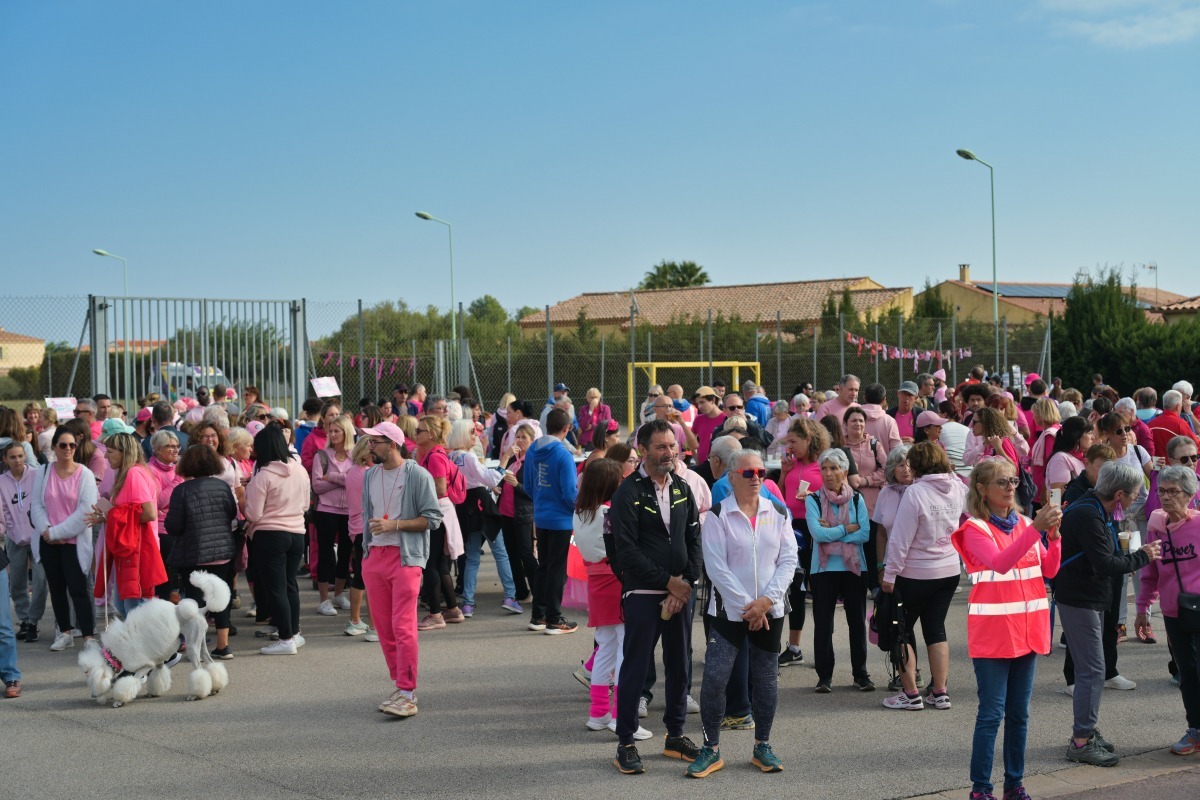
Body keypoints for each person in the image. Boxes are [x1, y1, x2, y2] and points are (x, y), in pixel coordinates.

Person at [951, 459, 1063, 800]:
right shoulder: (974, 529)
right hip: (994, 635)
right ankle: (981, 789)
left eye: (1013, 481)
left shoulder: (1026, 523)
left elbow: (1050, 570)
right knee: (991, 715)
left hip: (1028, 633)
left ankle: (1014, 785)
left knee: (1019, 715)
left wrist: (1054, 536)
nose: (1011, 487)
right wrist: (1036, 530)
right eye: (1002, 482)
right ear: (982, 489)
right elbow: (1000, 564)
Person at [689, 449, 794, 778]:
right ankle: (710, 748)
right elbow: (716, 568)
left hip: (770, 610)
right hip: (728, 613)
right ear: (732, 477)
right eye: (749, 473)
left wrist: (766, 601)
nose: (756, 478)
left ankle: (763, 745)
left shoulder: (778, 511)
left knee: (765, 680)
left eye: (761, 472)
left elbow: (788, 560)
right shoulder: (718, 514)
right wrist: (749, 606)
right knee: (715, 679)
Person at [610, 419, 703, 775]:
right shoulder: (627, 492)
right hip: (643, 592)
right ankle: (626, 742)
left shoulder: (682, 487)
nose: (669, 452)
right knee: (636, 666)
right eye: (661, 447)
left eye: (672, 446)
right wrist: (667, 582)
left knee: (679, 665)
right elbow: (626, 552)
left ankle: (675, 735)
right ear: (643, 450)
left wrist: (686, 582)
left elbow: (694, 540)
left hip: (681, 592)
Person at [1056, 461, 1160, 766]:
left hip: (1088, 596)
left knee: (1093, 669)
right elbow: (1104, 564)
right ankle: (1081, 741)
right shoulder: (1088, 513)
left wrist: (1126, 556)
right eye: (1134, 495)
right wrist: (1142, 556)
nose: (1135, 500)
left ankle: (1086, 731)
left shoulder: (1093, 507)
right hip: (1080, 597)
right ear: (1118, 494)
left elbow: (1103, 557)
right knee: (1092, 671)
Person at [360, 420, 442, 716]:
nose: (370, 447)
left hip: (406, 558)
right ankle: (400, 685)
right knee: (383, 628)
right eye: (369, 441)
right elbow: (366, 515)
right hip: (375, 557)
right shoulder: (370, 475)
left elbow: (433, 518)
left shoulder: (417, 474)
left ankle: (407, 692)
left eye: (375, 442)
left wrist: (394, 525)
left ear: (392, 444)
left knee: (403, 626)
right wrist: (366, 552)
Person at [881, 442, 968, 710]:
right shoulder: (956, 486)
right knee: (936, 629)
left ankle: (910, 694)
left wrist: (889, 573)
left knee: (901, 630)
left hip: (916, 572)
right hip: (949, 569)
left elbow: (900, 538)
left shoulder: (915, 492)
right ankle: (940, 691)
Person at [574, 458, 649, 736]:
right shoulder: (609, 513)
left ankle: (599, 712)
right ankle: (621, 717)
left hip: (596, 583)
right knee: (625, 650)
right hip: (618, 580)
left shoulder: (580, 513)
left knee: (605, 648)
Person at [1136, 465, 1200, 756]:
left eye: (1173, 491)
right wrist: (1142, 608)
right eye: (1161, 490)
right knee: (1188, 673)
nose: (1165, 496)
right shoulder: (1156, 527)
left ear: (1189, 494)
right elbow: (1150, 573)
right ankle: (1195, 729)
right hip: (1174, 613)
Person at [807, 447, 873, 693]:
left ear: (845, 472)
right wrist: (846, 528)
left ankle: (861, 674)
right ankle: (824, 677)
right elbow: (818, 534)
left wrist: (832, 533)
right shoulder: (814, 499)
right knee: (824, 624)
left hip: (854, 567)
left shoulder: (856, 498)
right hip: (822, 569)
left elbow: (864, 533)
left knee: (857, 622)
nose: (828, 473)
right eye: (824, 468)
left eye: (833, 468)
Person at [242, 425, 310, 655]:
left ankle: (285, 638)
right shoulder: (300, 470)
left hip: (270, 535)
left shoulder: (263, 476)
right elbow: (305, 505)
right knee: (290, 585)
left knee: (276, 588)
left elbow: (253, 514)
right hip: (297, 532)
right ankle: (294, 633)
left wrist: (245, 498)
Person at [165, 444, 238, 659]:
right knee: (220, 597)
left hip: (193, 553)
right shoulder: (222, 486)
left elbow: (173, 526)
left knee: (195, 601)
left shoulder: (182, 490)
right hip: (222, 551)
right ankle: (223, 645)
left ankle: (198, 646)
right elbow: (232, 513)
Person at [31, 426, 98, 651]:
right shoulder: (43, 472)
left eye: (72, 445)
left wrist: (57, 533)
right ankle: (65, 632)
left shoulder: (85, 474)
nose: (68, 449)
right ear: (54, 447)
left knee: (79, 589)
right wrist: (48, 531)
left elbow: (85, 511)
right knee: (56, 588)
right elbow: (36, 505)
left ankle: (88, 636)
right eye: (63, 445)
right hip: (48, 540)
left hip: (73, 542)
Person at [448, 419, 520, 616]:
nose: (476, 435)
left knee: (471, 557)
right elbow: (490, 478)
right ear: (463, 435)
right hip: (482, 505)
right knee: (500, 552)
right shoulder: (468, 457)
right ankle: (510, 597)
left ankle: (468, 602)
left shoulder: (452, 456)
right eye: (472, 432)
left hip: (465, 507)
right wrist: (506, 457)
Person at [92, 432, 169, 616]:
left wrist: (112, 516)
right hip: (130, 548)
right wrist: (107, 516)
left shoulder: (134, 473)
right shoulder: (130, 472)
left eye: (110, 451)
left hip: (138, 549)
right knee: (124, 606)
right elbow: (129, 511)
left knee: (134, 610)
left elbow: (149, 513)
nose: (105, 456)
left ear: (124, 452)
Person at [523, 408, 580, 634]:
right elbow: (570, 493)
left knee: (544, 566)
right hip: (561, 519)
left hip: (541, 516)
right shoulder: (563, 454)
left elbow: (528, 486)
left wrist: (541, 501)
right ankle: (554, 618)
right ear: (567, 428)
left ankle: (539, 616)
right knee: (557, 569)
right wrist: (579, 508)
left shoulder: (532, 450)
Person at [411, 416, 465, 629]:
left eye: (420, 431)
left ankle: (435, 614)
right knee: (440, 565)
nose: (416, 434)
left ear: (432, 434)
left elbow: (440, 488)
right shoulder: (434, 454)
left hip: (437, 513)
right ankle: (452, 609)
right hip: (441, 513)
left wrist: (417, 492)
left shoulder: (434, 457)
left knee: (430, 564)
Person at [311, 414, 356, 616]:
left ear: (346, 433)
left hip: (349, 510)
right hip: (326, 510)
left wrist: (332, 477)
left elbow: (355, 481)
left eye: (337, 430)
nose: (333, 434)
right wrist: (343, 479)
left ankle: (338, 594)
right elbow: (317, 485)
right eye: (331, 430)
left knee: (345, 553)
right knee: (325, 554)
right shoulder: (321, 456)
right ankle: (323, 600)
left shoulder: (355, 456)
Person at [2, 440, 46, 644]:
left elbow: (43, 502)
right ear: (5, 459)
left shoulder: (37, 475)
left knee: (40, 581)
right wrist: (12, 530)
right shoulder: (1, 481)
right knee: (17, 581)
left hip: (38, 536)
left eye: (20, 456)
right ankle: (25, 620)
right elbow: (3, 510)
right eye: (12, 457)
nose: (17, 460)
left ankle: (33, 621)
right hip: (14, 538)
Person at [342, 436, 374, 637]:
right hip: (366, 527)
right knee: (370, 578)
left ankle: (355, 620)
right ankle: (373, 624)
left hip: (355, 525)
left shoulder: (353, 472)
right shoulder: (368, 474)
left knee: (360, 577)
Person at [1046, 417, 1096, 501]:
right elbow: (1055, 497)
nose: (1093, 437)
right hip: (1069, 508)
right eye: (1090, 433)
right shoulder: (1060, 459)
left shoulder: (1081, 456)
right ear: (1076, 436)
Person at [1150, 390, 1200, 455]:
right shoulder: (1180, 424)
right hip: (1175, 460)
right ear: (1177, 407)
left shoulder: (1151, 423)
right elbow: (1196, 445)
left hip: (1155, 460)